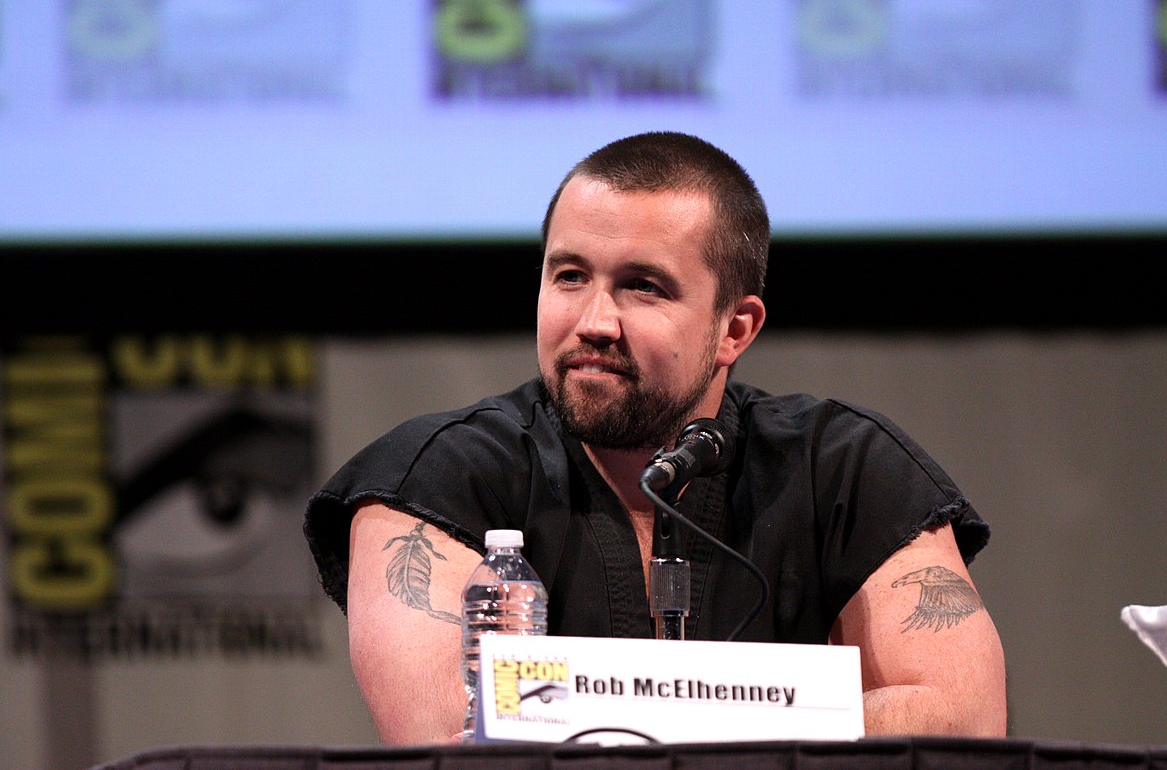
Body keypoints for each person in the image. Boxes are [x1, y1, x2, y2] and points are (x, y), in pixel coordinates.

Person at [304, 132, 1007, 744]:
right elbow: (451, 738)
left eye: (643, 287)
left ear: (735, 328)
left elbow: (962, 719)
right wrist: (773, 719)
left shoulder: (845, 468)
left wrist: (626, 720)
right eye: (569, 276)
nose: (594, 322)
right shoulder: (432, 477)